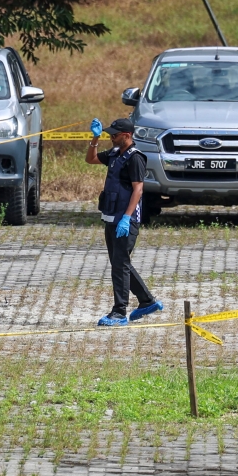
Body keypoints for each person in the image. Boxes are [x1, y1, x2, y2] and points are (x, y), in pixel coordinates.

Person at [87, 117, 163, 326]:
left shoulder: (135, 158)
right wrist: (94, 138)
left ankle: (119, 312)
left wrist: (127, 218)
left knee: (119, 265)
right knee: (120, 263)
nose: (111, 137)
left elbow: (138, 188)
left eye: (114, 135)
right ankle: (147, 301)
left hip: (126, 220)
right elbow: (91, 159)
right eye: (109, 134)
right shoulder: (113, 154)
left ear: (127, 136)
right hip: (111, 216)